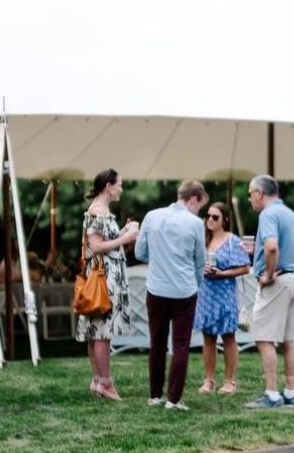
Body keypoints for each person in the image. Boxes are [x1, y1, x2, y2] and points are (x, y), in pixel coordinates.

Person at [135, 179, 208, 411]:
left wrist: (160, 259)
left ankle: (155, 395)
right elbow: (200, 262)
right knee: (181, 345)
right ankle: (173, 399)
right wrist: (195, 283)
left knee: (156, 342)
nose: (200, 210)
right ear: (194, 199)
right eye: (200, 205)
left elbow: (139, 252)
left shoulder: (152, 216)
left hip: (156, 289)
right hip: (185, 291)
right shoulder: (196, 223)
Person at [76, 169, 139, 402]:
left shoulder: (100, 211)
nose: (121, 189)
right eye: (119, 185)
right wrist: (126, 239)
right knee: (102, 331)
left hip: (104, 274)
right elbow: (96, 246)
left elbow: (104, 242)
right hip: (104, 279)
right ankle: (105, 382)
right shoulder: (99, 212)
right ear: (108, 187)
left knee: (97, 330)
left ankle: (97, 380)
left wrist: (123, 231)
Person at [244, 175, 294, 409]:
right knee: (288, 340)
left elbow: (271, 247)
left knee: (264, 337)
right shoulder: (288, 213)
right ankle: (290, 392)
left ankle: (271, 394)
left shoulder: (268, 214)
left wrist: (268, 275)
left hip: (277, 281)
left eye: (250, 194)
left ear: (259, 193)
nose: (249, 199)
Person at [194, 202, 251, 396]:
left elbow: (245, 267)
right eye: (208, 215)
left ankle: (230, 381)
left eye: (215, 217)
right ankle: (208, 379)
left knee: (228, 337)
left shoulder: (233, 240)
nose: (210, 219)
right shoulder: (202, 240)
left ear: (225, 219)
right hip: (206, 294)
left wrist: (223, 273)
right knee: (208, 338)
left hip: (225, 293)